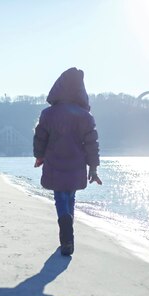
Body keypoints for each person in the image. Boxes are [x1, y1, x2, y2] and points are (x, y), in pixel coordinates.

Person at [33, 67, 101, 256]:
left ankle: (65, 233)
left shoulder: (48, 114)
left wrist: (39, 156)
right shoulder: (85, 116)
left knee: (60, 197)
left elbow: (40, 137)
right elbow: (91, 144)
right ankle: (67, 234)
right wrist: (93, 168)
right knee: (70, 196)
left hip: (54, 160)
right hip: (76, 162)